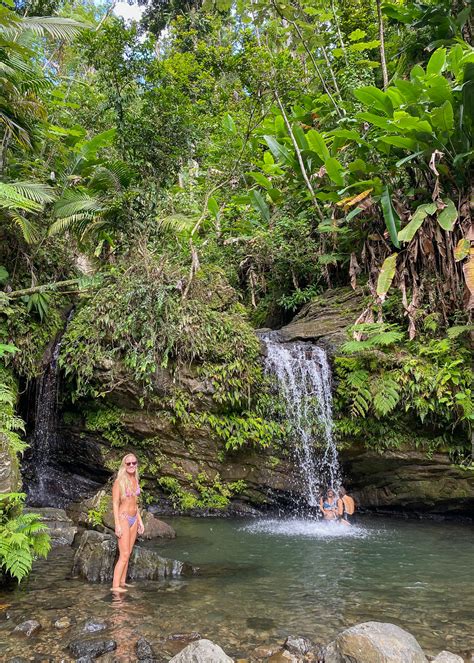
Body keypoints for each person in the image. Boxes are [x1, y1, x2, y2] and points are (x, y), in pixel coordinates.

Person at [111, 453, 144, 592]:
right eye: (128, 463)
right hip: (124, 518)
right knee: (123, 555)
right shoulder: (119, 482)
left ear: (136, 464)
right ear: (124, 465)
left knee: (128, 553)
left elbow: (136, 504)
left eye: (134, 463)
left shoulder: (136, 480)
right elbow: (115, 504)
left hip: (134, 519)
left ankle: (122, 582)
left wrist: (140, 521)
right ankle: (115, 587)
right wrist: (117, 524)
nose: (131, 465)